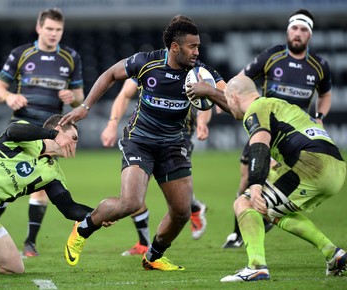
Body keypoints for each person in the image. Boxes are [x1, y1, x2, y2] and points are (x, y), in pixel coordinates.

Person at [60, 16, 229, 270]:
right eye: (192, 47)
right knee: (131, 203)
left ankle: (153, 256)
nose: (197, 52)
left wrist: (212, 92)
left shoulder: (201, 74)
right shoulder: (146, 62)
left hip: (173, 144)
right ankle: (83, 228)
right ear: (174, 47)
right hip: (139, 141)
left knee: (182, 211)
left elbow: (234, 105)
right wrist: (85, 106)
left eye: (198, 46)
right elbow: (109, 74)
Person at [216, 75, 346, 282]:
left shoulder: (256, 109)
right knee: (269, 210)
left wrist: (256, 184)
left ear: (233, 97)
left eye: (227, 102)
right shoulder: (280, 106)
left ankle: (256, 267)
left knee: (245, 202)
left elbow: (259, 145)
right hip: (337, 168)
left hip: (311, 165)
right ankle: (333, 254)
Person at [222, 8, 333, 248]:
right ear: (288, 31)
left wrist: (320, 116)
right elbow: (242, 79)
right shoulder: (272, 56)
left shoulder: (319, 65)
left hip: (291, 136)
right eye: (295, 28)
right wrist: (228, 97)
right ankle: (238, 231)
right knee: (246, 178)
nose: (298, 33)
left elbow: (325, 95)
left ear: (309, 35)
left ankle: (268, 214)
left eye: (304, 30)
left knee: (264, 177)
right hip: (263, 125)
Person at [0, 8, 85, 257]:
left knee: (41, 183)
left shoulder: (70, 57)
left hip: (50, 130)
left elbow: (80, 99)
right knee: (7, 183)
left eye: (59, 30)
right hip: (21, 130)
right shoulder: (21, 54)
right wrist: (9, 96)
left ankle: (30, 242)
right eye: (50, 29)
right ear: (39, 28)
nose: (54, 34)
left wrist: (72, 98)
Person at [0, 114, 93, 274]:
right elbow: (13, 130)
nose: (75, 144)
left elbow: (70, 208)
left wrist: (97, 216)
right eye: (73, 138)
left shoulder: (54, 174)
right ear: (59, 129)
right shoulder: (27, 136)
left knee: (13, 268)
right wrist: (53, 135)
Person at [101, 78, 212, 256]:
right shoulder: (147, 66)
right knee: (133, 190)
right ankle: (145, 243)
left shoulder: (193, 70)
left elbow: (208, 100)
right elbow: (124, 94)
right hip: (146, 136)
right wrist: (112, 122)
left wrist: (202, 123)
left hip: (178, 138)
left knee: (175, 192)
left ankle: (194, 207)